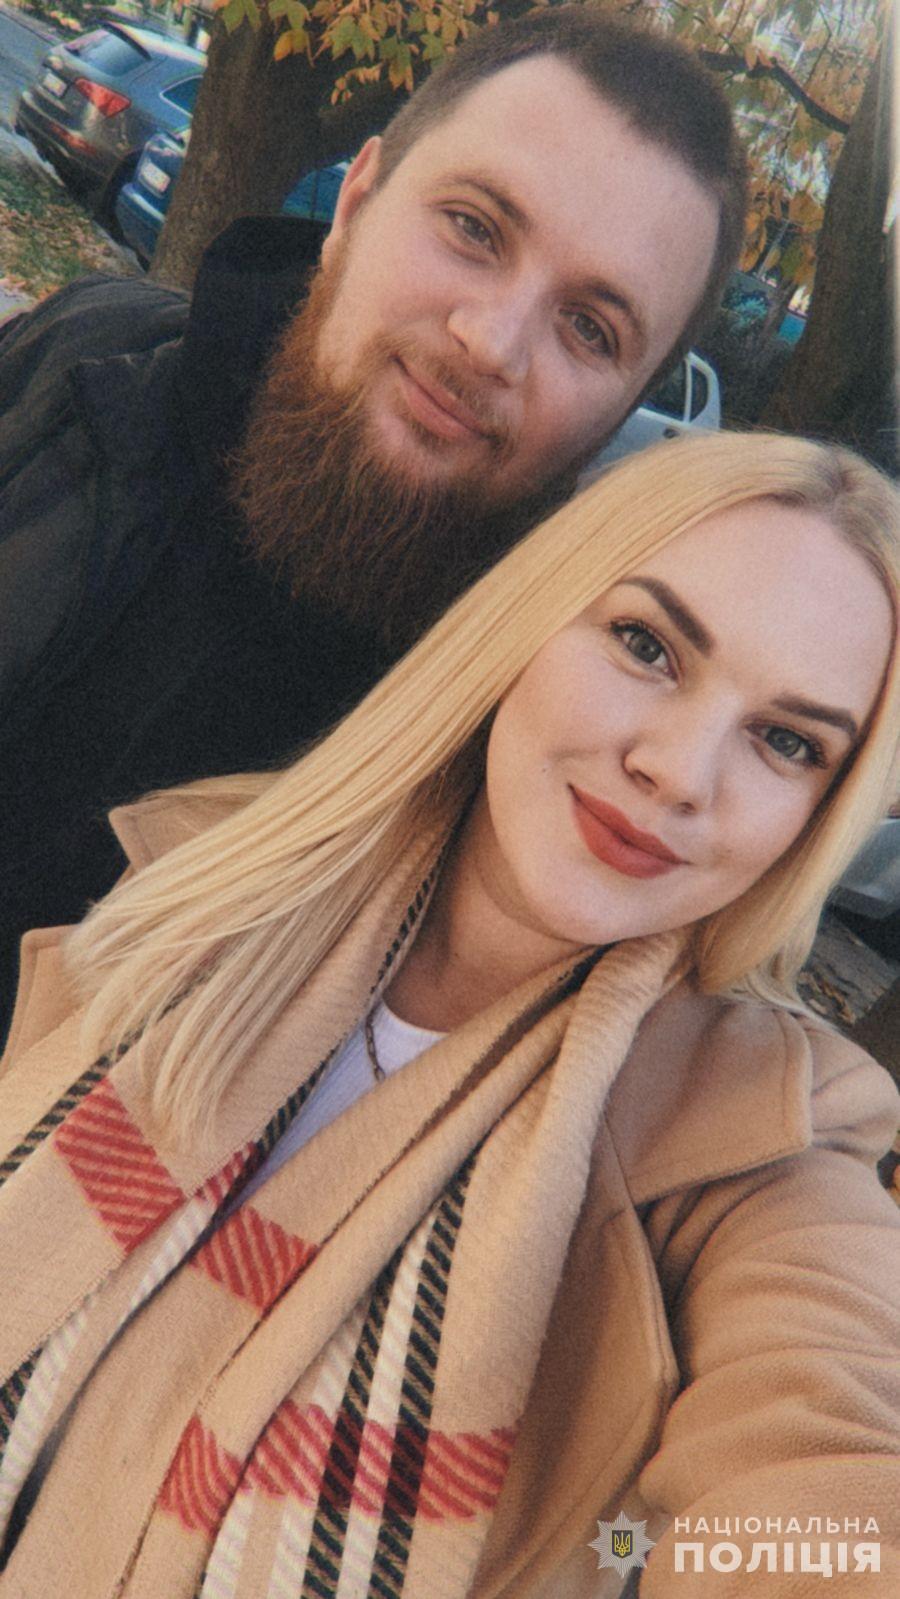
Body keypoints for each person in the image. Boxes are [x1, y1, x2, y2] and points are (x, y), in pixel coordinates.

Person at [1, 430, 898, 1597]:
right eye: (646, 644)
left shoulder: (766, 1140)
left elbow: (829, 1470)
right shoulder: (191, 879)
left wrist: (635, 1561)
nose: (680, 772)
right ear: (531, 615)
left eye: (787, 742)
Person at [0, 5, 748, 1041]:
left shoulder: (529, 757)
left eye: (589, 327)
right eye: (475, 228)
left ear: (624, 410)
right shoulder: (89, 352)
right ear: (355, 202)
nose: (492, 342)